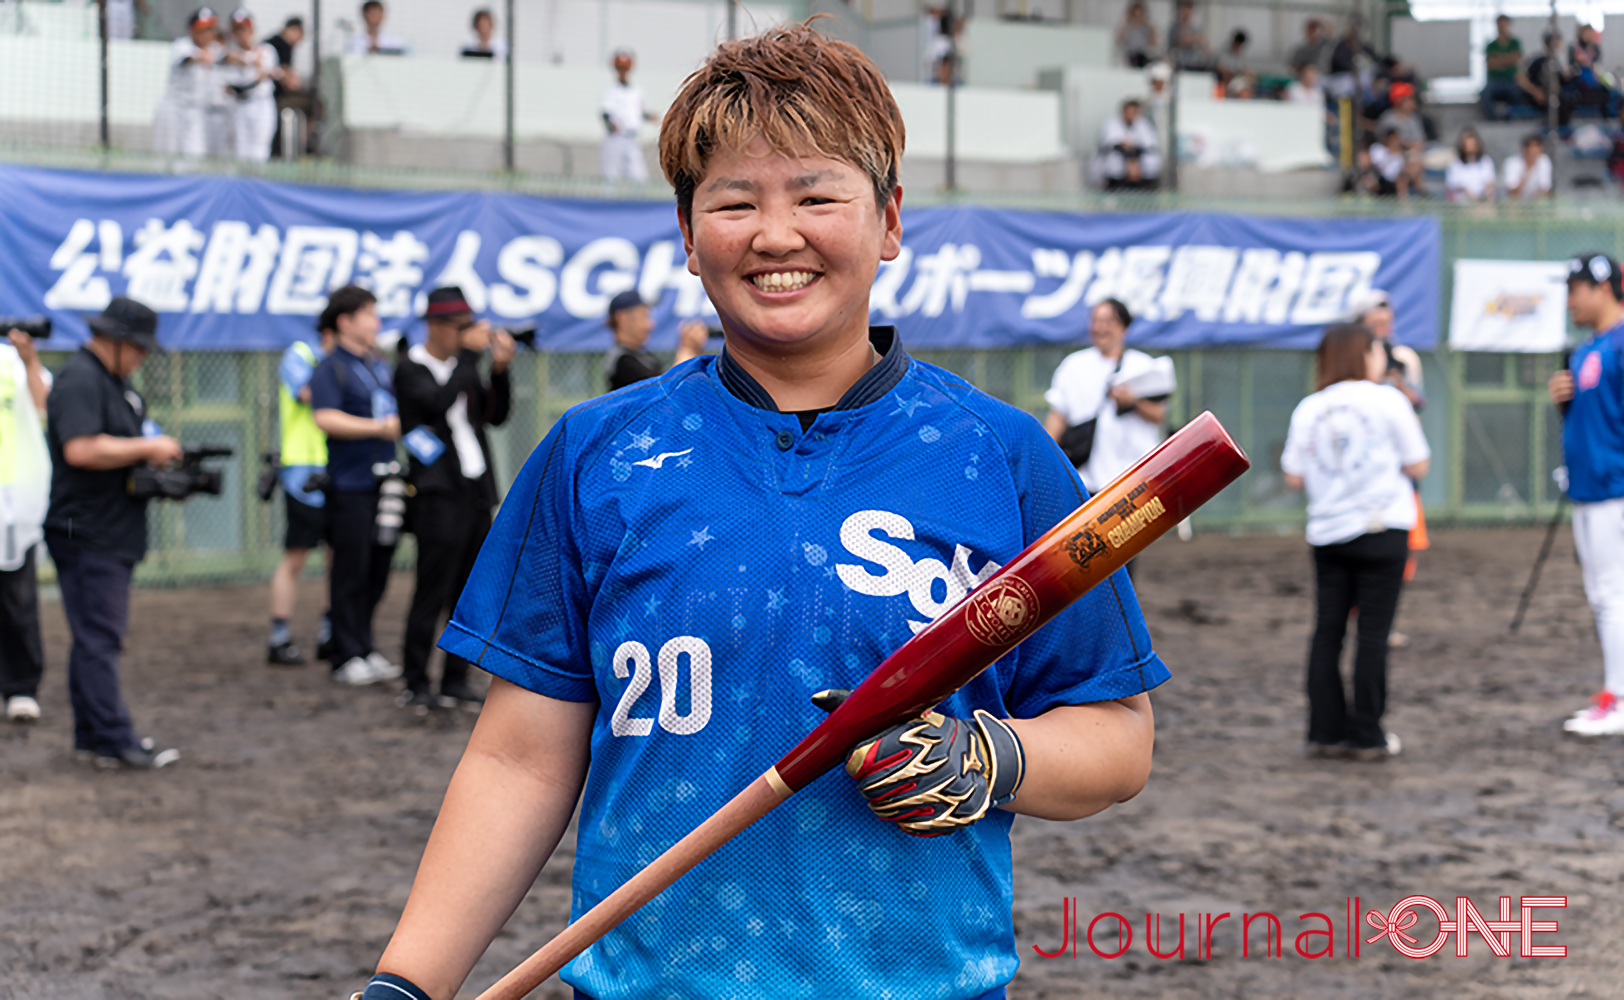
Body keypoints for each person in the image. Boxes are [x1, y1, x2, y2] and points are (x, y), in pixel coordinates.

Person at [353, 23, 1165, 1000]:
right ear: (689, 236)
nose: (776, 235)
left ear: (890, 219)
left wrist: (993, 754)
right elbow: (519, 762)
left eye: (817, 195)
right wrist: (407, 985)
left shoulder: (1003, 458)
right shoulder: (595, 454)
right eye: (735, 201)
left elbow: (1117, 734)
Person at [45, 298, 185, 770]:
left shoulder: (117, 384)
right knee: (100, 637)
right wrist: (148, 446)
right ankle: (113, 738)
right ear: (119, 341)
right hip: (87, 531)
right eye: (140, 348)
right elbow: (81, 448)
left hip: (109, 527)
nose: (143, 357)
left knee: (93, 636)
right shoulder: (81, 379)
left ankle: (92, 736)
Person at [1282, 323, 1430, 760]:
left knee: (1327, 631)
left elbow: (1293, 476)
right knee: (1372, 635)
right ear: (1363, 354)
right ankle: (1367, 734)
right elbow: (1418, 464)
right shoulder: (1388, 399)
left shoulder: (1310, 407)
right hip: (1383, 530)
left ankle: (1324, 732)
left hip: (1328, 534)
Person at [393, 287, 514, 713]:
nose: (466, 334)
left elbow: (494, 416)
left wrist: (498, 370)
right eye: (459, 327)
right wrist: (468, 358)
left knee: (468, 594)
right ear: (436, 326)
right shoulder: (411, 368)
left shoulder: (464, 368)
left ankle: (455, 679)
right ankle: (415, 680)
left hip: (474, 490)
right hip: (437, 493)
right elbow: (436, 405)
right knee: (431, 590)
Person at [309, 286, 404, 687]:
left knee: (378, 567)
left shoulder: (378, 365)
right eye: (369, 314)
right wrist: (379, 428)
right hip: (350, 485)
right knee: (350, 569)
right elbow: (324, 417)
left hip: (386, 480)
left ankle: (364, 646)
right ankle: (344, 653)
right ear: (345, 321)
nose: (376, 323)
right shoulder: (331, 367)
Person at [1549, 253, 1624, 735]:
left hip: (1613, 488)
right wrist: (1567, 403)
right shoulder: (1587, 348)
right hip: (1589, 488)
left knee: (1611, 594)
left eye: (1577, 288)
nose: (1571, 299)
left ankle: (1616, 700)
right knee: (1604, 594)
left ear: (1603, 287)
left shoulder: (1618, 344)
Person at [1043, 298, 1172, 497]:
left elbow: (1158, 415)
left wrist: (1133, 401)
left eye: (1108, 322)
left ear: (1123, 327)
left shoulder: (1143, 365)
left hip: (1135, 477)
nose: (1100, 328)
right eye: (1095, 321)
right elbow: (1058, 415)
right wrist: (1044, 454)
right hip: (1087, 478)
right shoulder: (1073, 366)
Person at [266, 326, 335, 666]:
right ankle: (279, 636)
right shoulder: (301, 354)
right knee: (296, 556)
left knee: (336, 556)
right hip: (302, 471)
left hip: (337, 467)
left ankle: (329, 632)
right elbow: (308, 393)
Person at [0, 325, 51, 725]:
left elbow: (44, 405)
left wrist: (29, 358)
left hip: (13, 506)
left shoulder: (11, 364)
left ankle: (21, 686)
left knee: (18, 599)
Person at [601, 290, 707, 393]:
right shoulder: (623, 362)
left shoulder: (642, 357)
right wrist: (687, 350)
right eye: (644, 316)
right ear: (623, 318)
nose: (650, 325)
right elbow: (663, 393)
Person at [153, 8, 223, 159]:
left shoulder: (216, 50)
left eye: (211, 29)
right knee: (166, 157)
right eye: (203, 29)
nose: (208, 34)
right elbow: (187, 58)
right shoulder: (182, 45)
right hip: (173, 109)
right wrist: (200, 57)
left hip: (196, 113)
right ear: (192, 31)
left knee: (194, 156)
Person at [221, 9, 279, 162]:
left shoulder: (266, 50)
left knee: (259, 152)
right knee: (239, 152)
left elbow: (259, 77)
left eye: (244, 29)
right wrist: (249, 60)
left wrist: (248, 61)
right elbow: (230, 87)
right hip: (239, 106)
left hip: (261, 104)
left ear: (252, 29)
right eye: (237, 30)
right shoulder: (229, 53)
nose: (241, 34)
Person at [601, 48, 656, 181]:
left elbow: (642, 112)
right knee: (612, 177)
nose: (623, 72)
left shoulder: (636, 91)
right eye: (620, 68)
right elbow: (605, 113)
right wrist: (612, 124)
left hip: (632, 139)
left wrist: (654, 117)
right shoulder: (612, 91)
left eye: (625, 68)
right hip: (616, 138)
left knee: (639, 176)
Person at [266, 16, 310, 158]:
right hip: (273, 99)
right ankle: (304, 147)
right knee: (313, 104)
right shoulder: (282, 46)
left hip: (271, 99)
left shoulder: (270, 42)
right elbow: (287, 79)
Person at [1099, 98, 1161, 191]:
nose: (1131, 115)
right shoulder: (1112, 124)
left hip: (1139, 157)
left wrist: (1134, 160)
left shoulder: (1143, 124)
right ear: (1123, 112)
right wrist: (1128, 156)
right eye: (1129, 111)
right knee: (1114, 163)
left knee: (1151, 161)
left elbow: (1149, 144)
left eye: (1134, 112)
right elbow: (1112, 143)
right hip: (1119, 157)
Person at [1483, 15, 1525, 120]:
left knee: (1518, 93)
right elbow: (1490, 63)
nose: (1502, 27)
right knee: (1485, 94)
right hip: (1494, 81)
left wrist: (1498, 60)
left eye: (1504, 24)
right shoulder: (1491, 45)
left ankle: (1511, 118)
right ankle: (1493, 119)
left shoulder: (1515, 43)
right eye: (1499, 25)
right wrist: (1508, 59)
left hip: (1511, 80)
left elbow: (1516, 59)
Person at [1446, 126, 1497, 203]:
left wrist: (1484, 198)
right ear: (1462, 146)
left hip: (1482, 201)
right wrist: (1473, 199)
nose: (1471, 146)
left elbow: (1490, 183)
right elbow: (1456, 186)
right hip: (1462, 203)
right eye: (1468, 144)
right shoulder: (1455, 164)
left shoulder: (1486, 161)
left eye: (1473, 144)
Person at [1369, 126, 1420, 199]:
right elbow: (1378, 165)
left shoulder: (1400, 153)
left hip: (1397, 179)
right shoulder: (1378, 148)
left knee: (1403, 179)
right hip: (1381, 178)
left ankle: (1416, 195)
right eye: (1394, 138)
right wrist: (1392, 152)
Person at [1504, 132, 1553, 201]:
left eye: (1535, 146)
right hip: (1516, 203)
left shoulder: (1544, 161)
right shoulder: (1512, 162)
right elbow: (1513, 192)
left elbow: (1545, 190)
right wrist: (1528, 169)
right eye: (1529, 147)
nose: (1531, 150)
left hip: (1535, 202)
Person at [1168, 0, 1210, 72]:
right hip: (1179, 63)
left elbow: (1205, 46)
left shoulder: (1197, 27)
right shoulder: (1175, 27)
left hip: (1194, 64)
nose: (1186, 11)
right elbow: (1182, 41)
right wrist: (1194, 38)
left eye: (1188, 8)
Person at [1115, 0, 1158, 68]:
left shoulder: (1147, 27)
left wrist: (1152, 30)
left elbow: (1154, 43)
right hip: (1131, 55)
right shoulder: (1127, 26)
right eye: (1135, 14)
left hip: (1143, 55)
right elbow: (1118, 39)